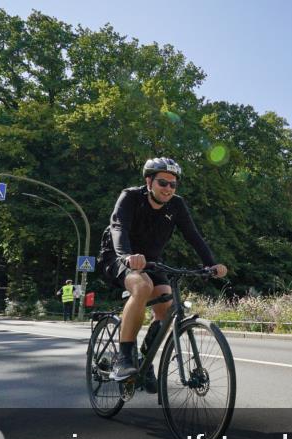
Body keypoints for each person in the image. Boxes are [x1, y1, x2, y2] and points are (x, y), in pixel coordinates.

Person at [97, 157, 228, 388]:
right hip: (118, 256)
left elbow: (193, 236)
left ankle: (145, 362)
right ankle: (124, 358)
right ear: (149, 181)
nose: (168, 188)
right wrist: (127, 255)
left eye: (172, 184)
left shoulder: (176, 205)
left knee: (166, 305)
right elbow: (118, 227)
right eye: (162, 183)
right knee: (143, 286)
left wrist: (211, 264)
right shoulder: (130, 197)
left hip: (153, 261)